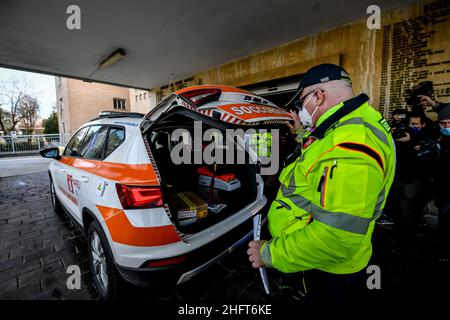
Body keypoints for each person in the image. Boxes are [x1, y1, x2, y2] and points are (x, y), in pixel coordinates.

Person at [247, 63, 396, 303]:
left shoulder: (352, 146)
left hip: (330, 268)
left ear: (318, 96)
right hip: (314, 257)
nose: (301, 110)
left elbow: (337, 238)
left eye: (301, 102)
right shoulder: (350, 124)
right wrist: (301, 135)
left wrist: (270, 253)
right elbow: (321, 154)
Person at [434, 104, 450, 257]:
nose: (447, 127)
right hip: (444, 190)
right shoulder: (441, 140)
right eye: (443, 123)